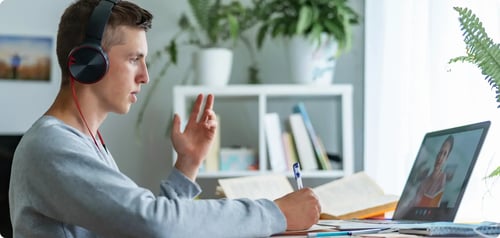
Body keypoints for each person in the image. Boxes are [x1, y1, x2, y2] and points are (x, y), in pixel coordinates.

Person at [8, 0, 321, 237]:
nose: (145, 76)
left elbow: (141, 225)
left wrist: (188, 163)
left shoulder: (85, 142)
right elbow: (154, 222)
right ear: (90, 63)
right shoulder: (50, 146)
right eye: (134, 60)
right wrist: (276, 212)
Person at [413, 135, 454, 207]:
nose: (440, 157)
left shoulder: (442, 180)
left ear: (446, 159)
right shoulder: (425, 179)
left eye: (444, 154)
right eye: (440, 152)